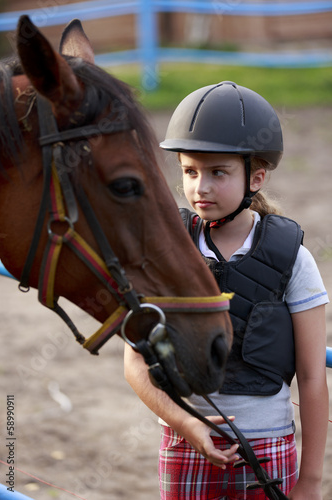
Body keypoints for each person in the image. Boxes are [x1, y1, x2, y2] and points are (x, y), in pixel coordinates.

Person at [124, 81, 329, 499]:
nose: (200, 187)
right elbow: (135, 365)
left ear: (256, 176)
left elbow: (311, 376)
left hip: (269, 451)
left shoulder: (293, 260)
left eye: (218, 172)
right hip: (185, 447)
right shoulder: (165, 252)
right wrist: (187, 424)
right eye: (190, 171)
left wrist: (309, 481)